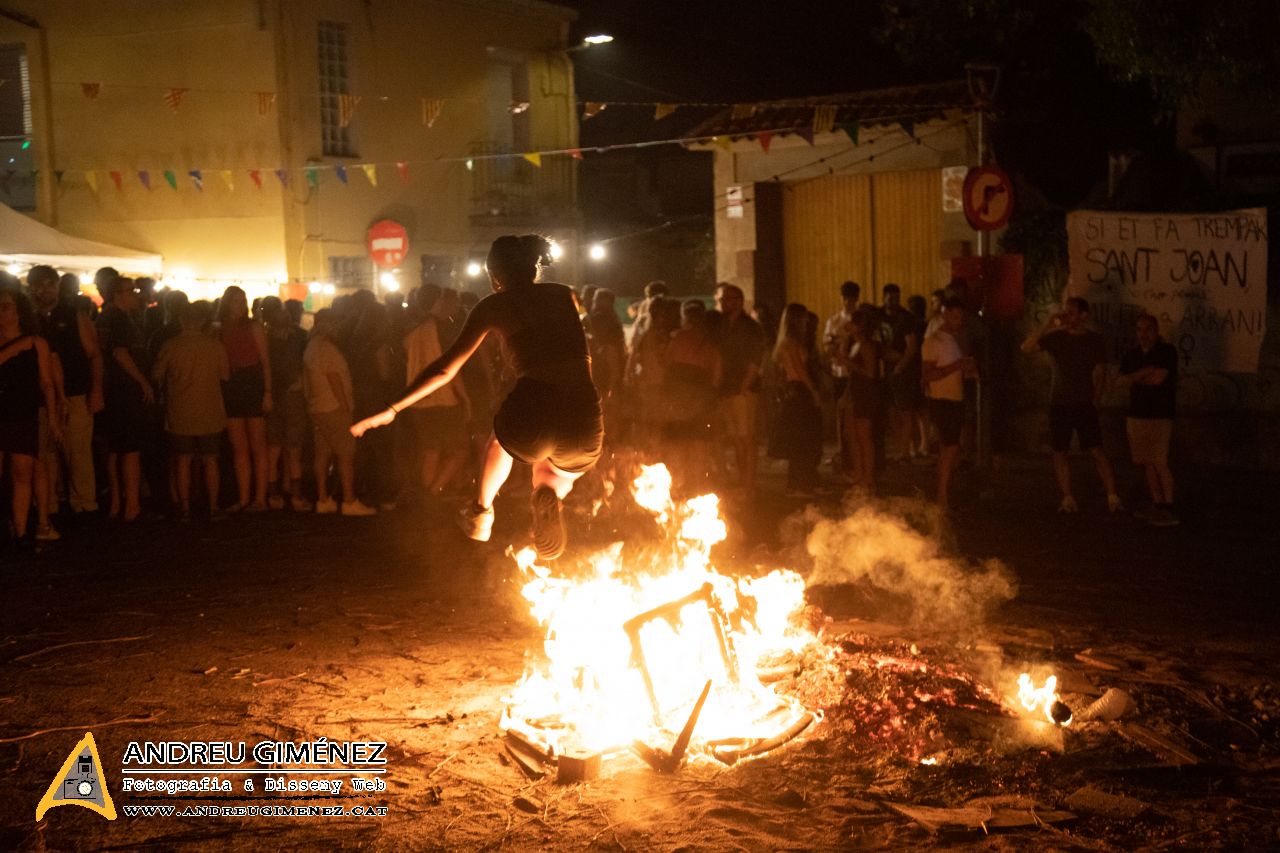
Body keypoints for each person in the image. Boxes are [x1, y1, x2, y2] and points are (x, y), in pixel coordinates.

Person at [351, 235, 603, 561]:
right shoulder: (565, 294)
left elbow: (446, 369)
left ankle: (481, 510)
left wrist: (393, 408)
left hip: (536, 405)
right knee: (560, 472)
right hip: (584, 417)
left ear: (494, 275)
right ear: (533, 267)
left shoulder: (494, 305)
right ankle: (551, 494)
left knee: (500, 439)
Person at [1021, 296, 1121, 513]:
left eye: (1072, 313)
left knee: (1096, 450)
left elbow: (1101, 371)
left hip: (1084, 402)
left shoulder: (1094, 340)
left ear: (1084, 316)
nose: (1067, 316)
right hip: (1059, 402)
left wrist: (1096, 398)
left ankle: (1113, 496)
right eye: (1066, 312)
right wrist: (1048, 324)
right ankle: (1068, 498)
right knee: (1060, 451)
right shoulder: (1057, 338)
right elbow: (1026, 347)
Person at [29, 266, 103, 519]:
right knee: (45, 454)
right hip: (38, 398)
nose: (45, 289)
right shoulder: (26, 318)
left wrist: (96, 390)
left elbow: (93, 354)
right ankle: (48, 503)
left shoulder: (73, 315)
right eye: (40, 284)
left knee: (78, 452)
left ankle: (84, 503)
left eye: (50, 284)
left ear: (58, 285)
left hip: (75, 393)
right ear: (30, 287)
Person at [152, 301, 229, 521]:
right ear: (203, 321)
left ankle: (184, 508)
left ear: (181, 320)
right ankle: (213, 506)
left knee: (183, 460)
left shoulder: (171, 345)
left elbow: (157, 373)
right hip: (211, 410)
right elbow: (225, 376)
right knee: (210, 460)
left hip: (180, 411)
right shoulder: (215, 346)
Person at [0, 287, 60, 545]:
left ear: (19, 311)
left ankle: (22, 532)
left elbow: (46, 383)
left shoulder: (37, 343)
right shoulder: (26, 343)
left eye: (7, 306)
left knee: (23, 473)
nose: (2, 312)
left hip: (22, 414)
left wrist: (54, 415)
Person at [402, 284, 472, 498]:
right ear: (438, 302)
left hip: (417, 398)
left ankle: (426, 495)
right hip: (442, 399)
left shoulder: (411, 328)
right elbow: (450, 368)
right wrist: (465, 399)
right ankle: (432, 492)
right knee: (459, 450)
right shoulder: (442, 329)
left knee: (429, 449)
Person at [304, 310, 377, 516]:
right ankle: (348, 500)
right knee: (345, 454)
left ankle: (323, 498)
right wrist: (346, 408)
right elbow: (334, 380)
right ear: (327, 325)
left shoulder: (311, 347)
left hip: (317, 407)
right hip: (334, 408)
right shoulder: (327, 349)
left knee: (322, 453)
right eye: (335, 324)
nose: (338, 328)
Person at [96, 276, 154, 521]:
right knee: (130, 449)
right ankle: (132, 505)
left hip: (112, 389)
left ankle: (118, 503)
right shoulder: (119, 318)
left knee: (115, 449)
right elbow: (121, 353)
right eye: (131, 291)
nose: (136, 295)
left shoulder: (104, 317)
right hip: (125, 390)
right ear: (118, 294)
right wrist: (142, 381)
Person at [1118, 314, 1178, 526]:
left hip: (1160, 415)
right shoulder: (1131, 355)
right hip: (1137, 414)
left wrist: (1135, 377)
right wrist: (1144, 371)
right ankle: (1157, 503)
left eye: (1148, 329)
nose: (1144, 334)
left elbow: (1158, 379)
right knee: (1146, 462)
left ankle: (1169, 507)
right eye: (1139, 329)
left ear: (1156, 330)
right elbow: (1121, 381)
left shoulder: (1167, 352)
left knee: (1160, 461)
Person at [217, 286, 272, 512]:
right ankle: (244, 497)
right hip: (232, 383)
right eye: (237, 301)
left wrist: (268, 392)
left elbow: (265, 361)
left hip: (251, 382)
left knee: (257, 445)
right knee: (239, 446)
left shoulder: (254, 327)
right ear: (227, 304)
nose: (241, 305)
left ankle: (259, 498)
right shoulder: (220, 329)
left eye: (243, 300)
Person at [661, 299, 721, 493]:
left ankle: (678, 483)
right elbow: (717, 371)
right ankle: (697, 483)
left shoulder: (679, 338)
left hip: (679, 396)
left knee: (678, 442)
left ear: (686, 318)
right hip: (700, 396)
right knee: (698, 442)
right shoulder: (711, 341)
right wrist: (711, 394)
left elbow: (667, 363)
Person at [713, 283, 766, 497]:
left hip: (743, 390)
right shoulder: (722, 326)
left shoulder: (751, 327)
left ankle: (749, 484)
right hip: (726, 389)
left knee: (746, 437)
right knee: (736, 438)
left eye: (728, 299)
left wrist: (745, 385)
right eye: (722, 299)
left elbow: (755, 359)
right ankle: (743, 481)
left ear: (739, 301)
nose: (724, 303)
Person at [922, 298, 976, 510]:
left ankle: (943, 491)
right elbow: (928, 374)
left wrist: (968, 369)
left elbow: (958, 369)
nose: (959, 320)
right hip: (942, 401)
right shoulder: (933, 341)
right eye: (954, 316)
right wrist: (957, 366)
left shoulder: (955, 340)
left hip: (955, 399)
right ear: (944, 315)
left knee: (949, 448)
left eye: (961, 317)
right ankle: (941, 495)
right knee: (951, 447)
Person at [262, 297, 311, 511]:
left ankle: (273, 495)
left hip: (272, 397)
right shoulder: (298, 339)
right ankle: (296, 495)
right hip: (293, 397)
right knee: (294, 449)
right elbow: (300, 369)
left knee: (273, 448)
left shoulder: (265, 342)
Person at [768, 303, 823, 493]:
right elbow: (799, 370)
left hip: (795, 390)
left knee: (800, 439)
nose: (807, 321)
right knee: (802, 439)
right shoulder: (791, 343)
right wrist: (814, 389)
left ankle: (799, 482)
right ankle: (799, 483)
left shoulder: (787, 342)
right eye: (804, 317)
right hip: (799, 390)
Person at [840, 310, 882, 490]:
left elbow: (871, 373)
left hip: (865, 393)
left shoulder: (867, 346)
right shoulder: (855, 343)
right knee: (851, 435)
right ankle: (858, 471)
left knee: (864, 436)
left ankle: (868, 476)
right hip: (854, 392)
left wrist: (850, 364)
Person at [822, 281, 860, 474]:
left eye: (851, 299)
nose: (848, 302)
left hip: (857, 373)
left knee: (856, 416)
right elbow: (827, 346)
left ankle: (855, 454)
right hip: (839, 372)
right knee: (841, 414)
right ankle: (842, 449)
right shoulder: (834, 321)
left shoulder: (861, 320)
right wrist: (835, 346)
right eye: (845, 298)